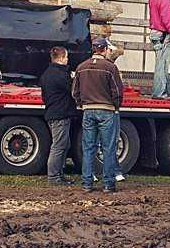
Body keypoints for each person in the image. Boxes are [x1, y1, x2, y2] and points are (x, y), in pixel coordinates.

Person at [72, 37, 124, 193]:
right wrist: (116, 107)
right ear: (104, 50)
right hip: (106, 110)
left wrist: (82, 103)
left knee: (88, 148)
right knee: (108, 148)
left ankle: (87, 183)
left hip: (88, 110)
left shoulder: (81, 67)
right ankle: (108, 184)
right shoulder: (110, 68)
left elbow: (75, 91)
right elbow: (117, 91)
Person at [38, 45, 78, 185]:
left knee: (63, 145)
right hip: (60, 114)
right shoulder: (60, 75)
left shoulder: (46, 74)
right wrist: (73, 78)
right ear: (61, 58)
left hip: (53, 112)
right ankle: (54, 177)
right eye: (66, 57)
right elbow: (73, 90)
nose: (68, 60)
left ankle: (59, 175)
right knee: (59, 146)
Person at [148, 0, 170, 99]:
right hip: (162, 34)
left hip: (155, 32)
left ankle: (163, 91)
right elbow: (166, 17)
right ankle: (160, 93)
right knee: (162, 64)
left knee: (160, 62)